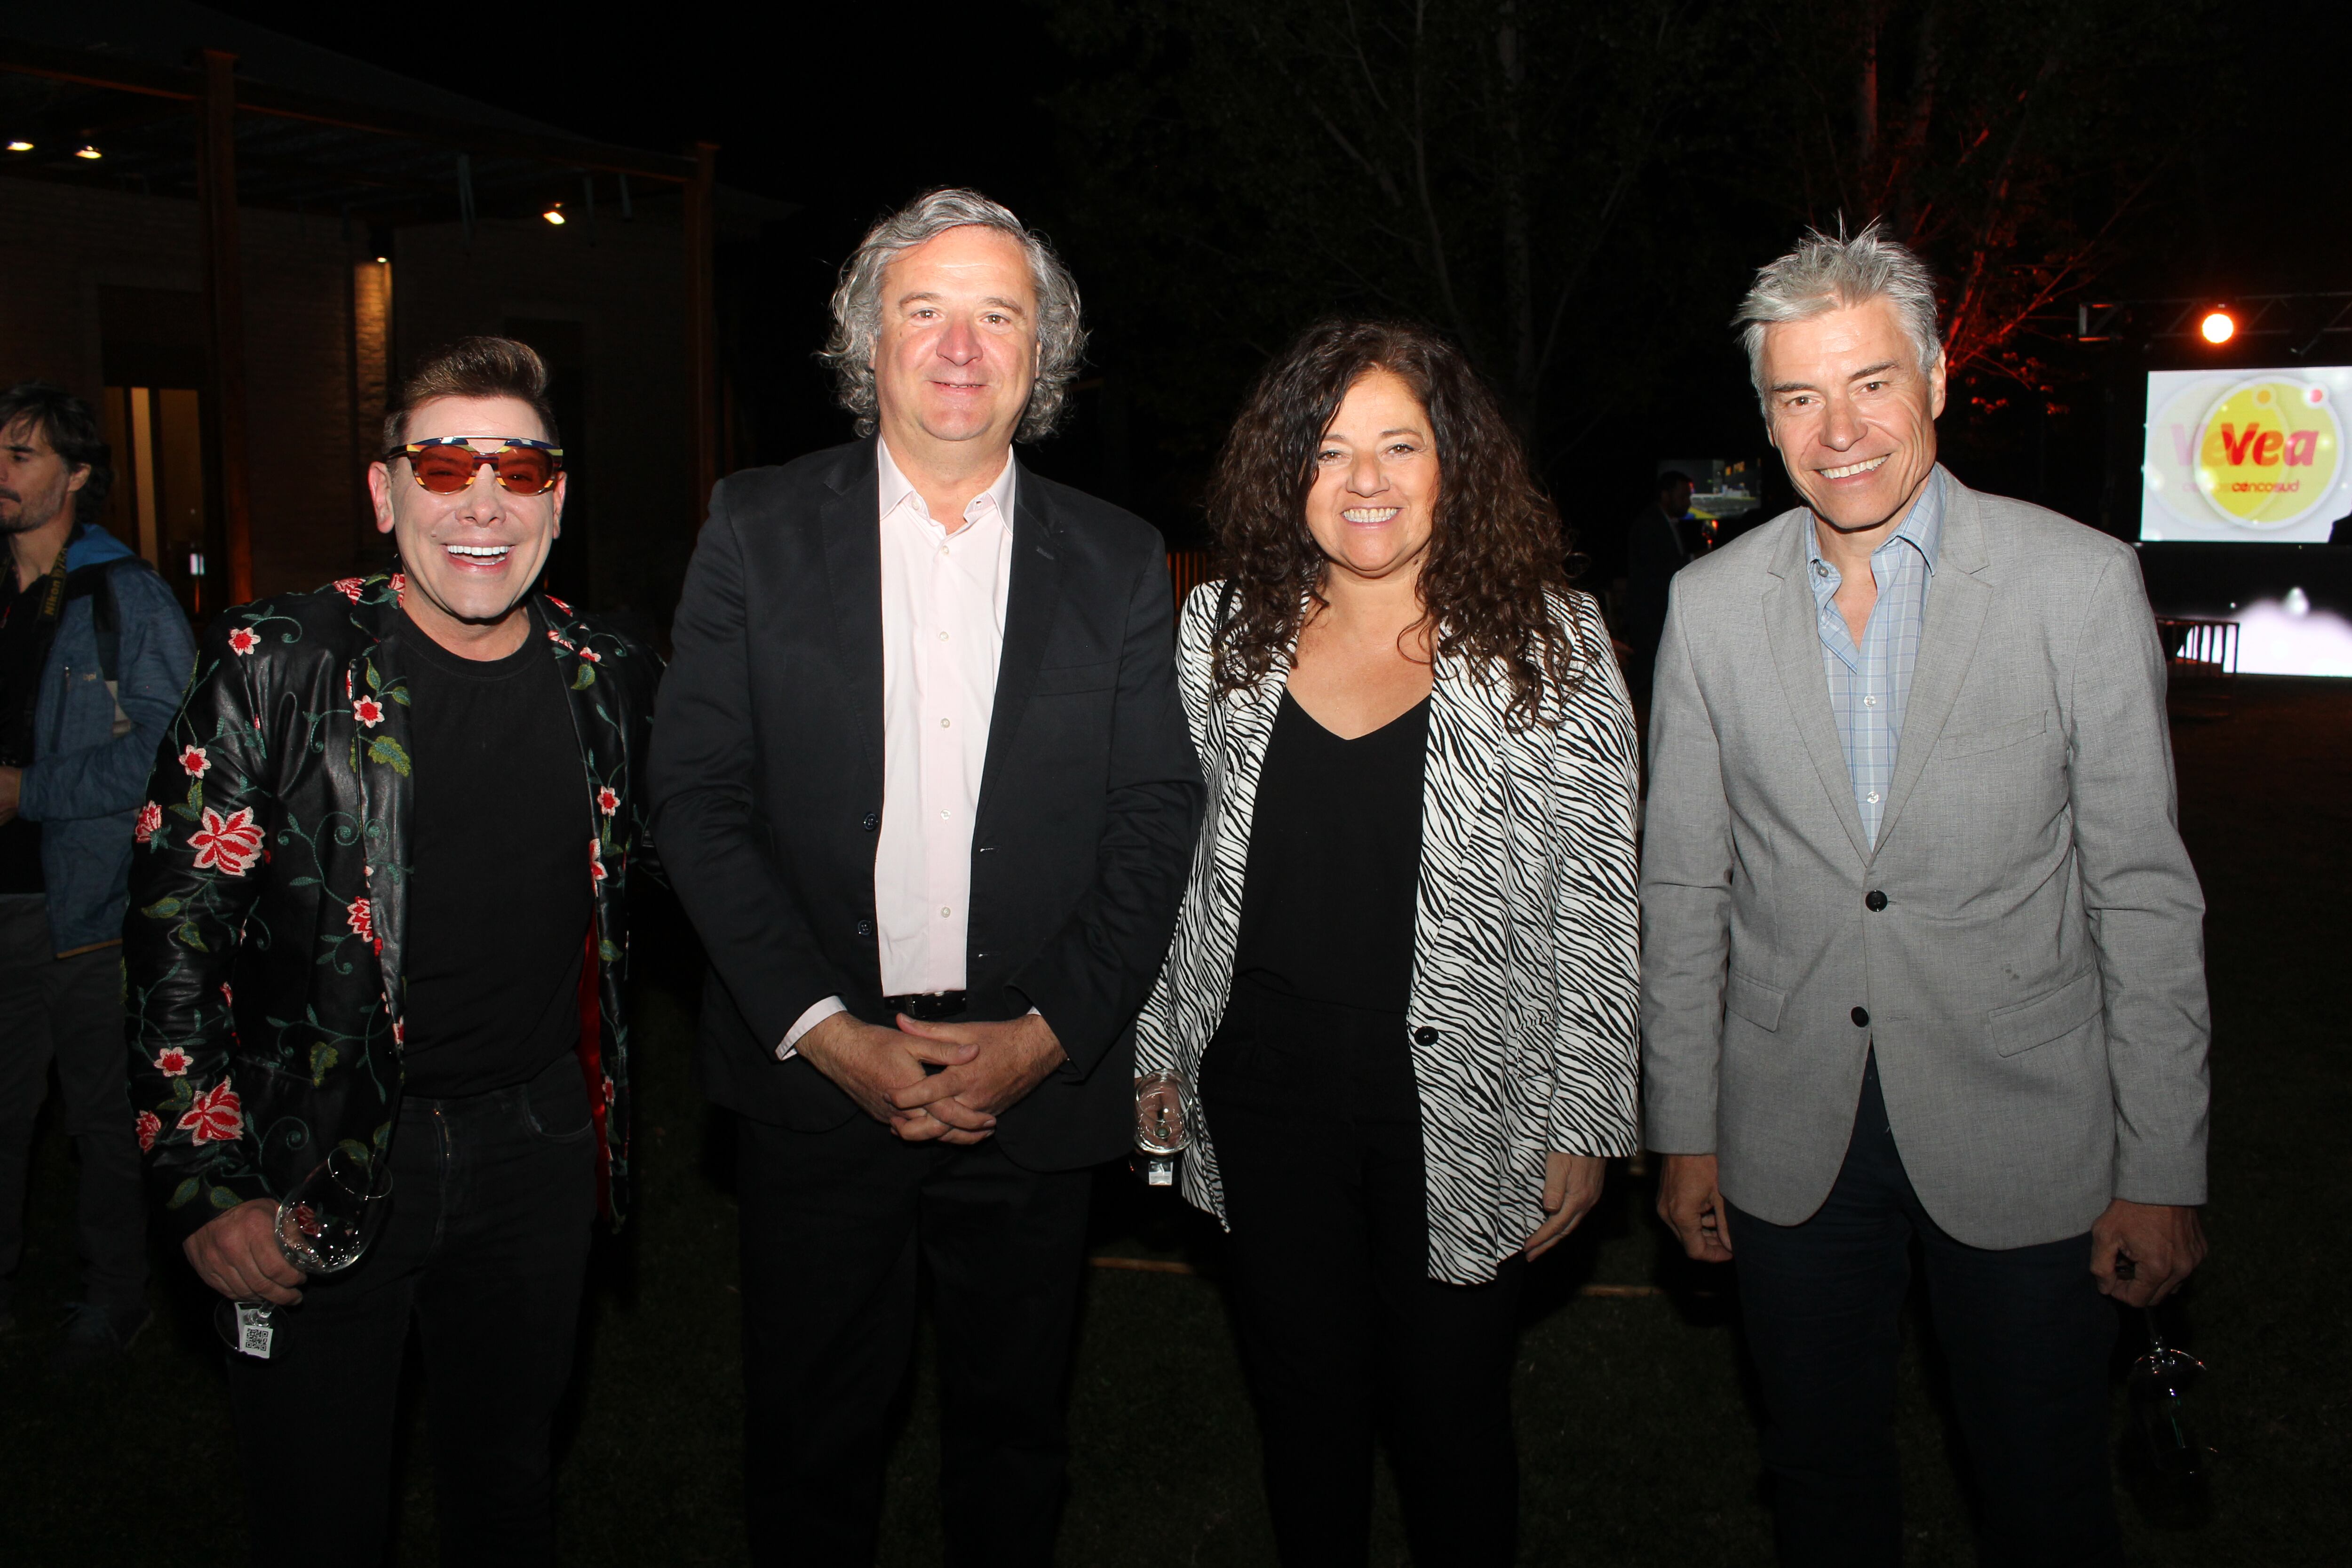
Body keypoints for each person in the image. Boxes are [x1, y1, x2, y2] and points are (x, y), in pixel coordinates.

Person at [1640, 224, 2209, 1567]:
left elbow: (2141, 889)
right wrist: (1685, 1130)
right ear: (1766, 414)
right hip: (1788, 1134)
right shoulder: (1711, 607)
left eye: (1870, 383)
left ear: (1939, 379)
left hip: (2029, 1130)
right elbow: (1684, 884)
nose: (1837, 430)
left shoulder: (2077, 584)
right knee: (1823, 1488)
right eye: (1797, 395)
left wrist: (2163, 1163)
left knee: (2043, 1493)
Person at [648, 188, 1202, 1566]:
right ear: (868, 340)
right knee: (807, 1447)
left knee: (1014, 1450)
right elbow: (697, 801)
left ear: (1041, 351)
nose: (961, 343)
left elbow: (1153, 812)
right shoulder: (754, 526)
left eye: (997, 314)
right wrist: (825, 1037)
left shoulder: (1122, 559)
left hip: (1033, 1080)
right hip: (813, 1074)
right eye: (925, 309)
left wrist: (1047, 1034)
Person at [124, 337, 660, 1566]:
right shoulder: (276, 665)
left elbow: (725, 846)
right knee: (318, 1512)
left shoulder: (611, 675)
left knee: (509, 1493)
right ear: (385, 493)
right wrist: (205, 1184)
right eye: (443, 462)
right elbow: (173, 942)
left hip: (536, 1151)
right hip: (315, 1148)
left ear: (558, 499)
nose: (481, 501)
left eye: (517, 468)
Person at [1133, 318, 1642, 1568]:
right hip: (1264, 1094)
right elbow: (1171, 864)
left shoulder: (1554, 641)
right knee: (1303, 1419)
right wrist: (1159, 1043)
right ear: (1285, 474)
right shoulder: (1218, 633)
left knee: (1451, 1421)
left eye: (1398, 445)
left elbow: (1602, 895)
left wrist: (1585, 1116)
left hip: (1467, 1100)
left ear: (1452, 464)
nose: (1364, 480)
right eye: (1328, 449)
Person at [0, 382, 194, 1367]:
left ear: (76, 475)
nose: (2, 471)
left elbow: (172, 749)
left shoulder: (124, 597)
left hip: (84, 904)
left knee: (100, 1116)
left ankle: (115, 1295)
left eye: (23, 453)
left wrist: (29, 790)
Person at [1619, 467, 1697, 709]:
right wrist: (1697, 559)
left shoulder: (1670, 523)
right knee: (1646, 670)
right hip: (1650, 612)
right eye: (1683, 496)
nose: (1688, 502)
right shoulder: (1649, 524)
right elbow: (1660, 570)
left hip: (1659, 611)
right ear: (1665, 495)